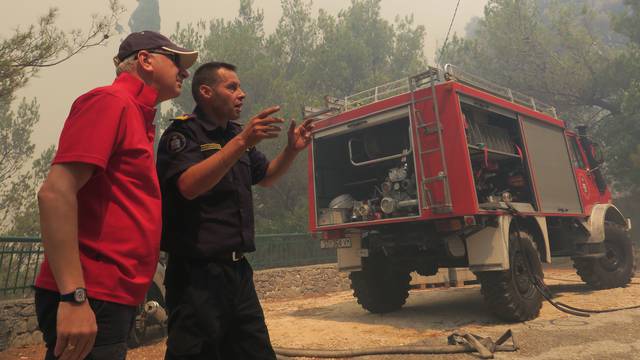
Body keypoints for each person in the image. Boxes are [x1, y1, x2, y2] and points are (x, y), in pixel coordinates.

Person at [34, 31, 197, 360]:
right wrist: (74, 296)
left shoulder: (137, 115)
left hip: (111, 295)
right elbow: (55, 193)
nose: (185, 72)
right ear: (145, 60)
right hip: (91, 293)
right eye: (177, 61)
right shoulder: (110, 102)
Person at [157, 61, 313, 359]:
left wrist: (292, 149)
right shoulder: (183, 134)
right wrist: (242, 141)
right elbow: (188, 186)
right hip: (196, 276)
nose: (241, 94)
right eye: (231, 87)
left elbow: (266, 176)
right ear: (205, 92)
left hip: (238, 273)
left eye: (240, 87)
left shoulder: (234, 135)